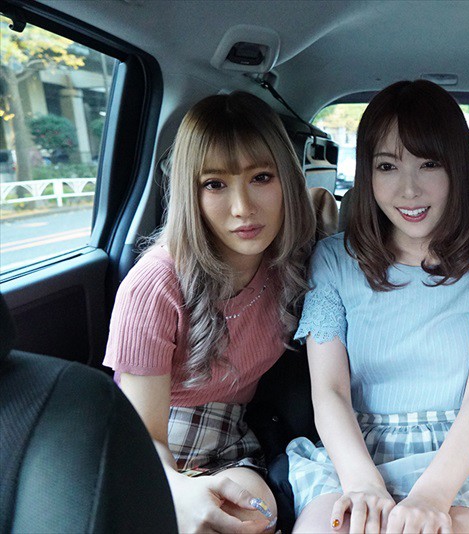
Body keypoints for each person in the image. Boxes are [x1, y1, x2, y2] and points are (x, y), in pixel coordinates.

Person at [286, 79, 469, 534]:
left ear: (458, 168)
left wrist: (433, 495)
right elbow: (329, 391)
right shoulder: (333, 259)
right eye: (388, 166)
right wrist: (362, 484)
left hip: (467, 450)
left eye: (429, 164)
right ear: (367, 174)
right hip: (355, 449)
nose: (408, 190)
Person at [104, 91, 315, 533]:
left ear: (287, 180)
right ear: (190, 193)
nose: (243, 208)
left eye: (261, 177)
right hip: (151, 445)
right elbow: (145, 438)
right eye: (215, 184)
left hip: (230, 437)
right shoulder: (155, 285)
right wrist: (180, 492)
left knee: (254, 517)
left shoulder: (290, 264)